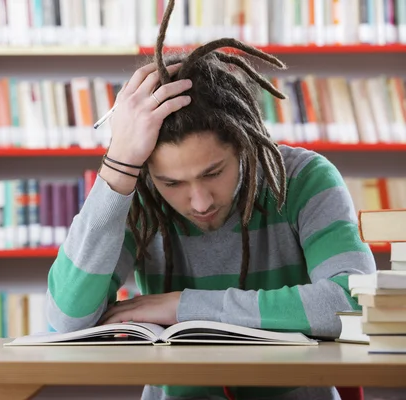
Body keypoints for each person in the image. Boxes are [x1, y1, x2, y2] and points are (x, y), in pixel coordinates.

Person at [44, 1, 376, 399]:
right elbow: (65, 322)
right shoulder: (135, 194)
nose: (199, 202)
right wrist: (118, 166)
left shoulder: (304, 178)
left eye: (213, 173)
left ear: (245, 144)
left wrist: (184, 306)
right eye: (172, 183)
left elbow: (353, 303)